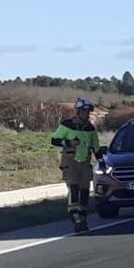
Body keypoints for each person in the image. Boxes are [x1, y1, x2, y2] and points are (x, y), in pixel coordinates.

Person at [51, 98, 103, 233]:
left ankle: (82, 216)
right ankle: (75, 217)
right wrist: (68, 143)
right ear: (78, 112)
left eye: (89, 112)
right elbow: (54, 140)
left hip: (85, 162)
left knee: (85, 191)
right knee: (74, 188)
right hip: (70, 162)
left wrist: (102, 162)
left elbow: (96, 148)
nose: (87, 114)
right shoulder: (67, 125)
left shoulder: (90, 128)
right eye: (85, 112)